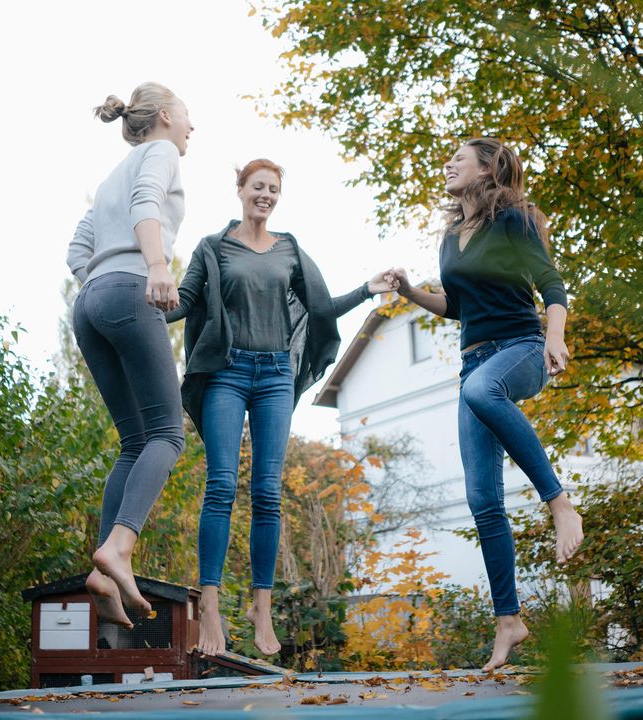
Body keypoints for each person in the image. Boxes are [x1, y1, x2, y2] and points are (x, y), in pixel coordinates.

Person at [166, 159, 397, 656]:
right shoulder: (213, 248)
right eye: (258, 187)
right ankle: (209, 604)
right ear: (241, 190)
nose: (266, 195)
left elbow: (319, 309)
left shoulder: (289, 248)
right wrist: (147, 296)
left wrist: (366, 289)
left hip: (274, 376)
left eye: (273, 189)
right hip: (227, 372)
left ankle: (261, 607)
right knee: (222, 484)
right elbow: (184, 302)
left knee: (267, 491)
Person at [390, 137, 584, 672]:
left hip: (520, 349)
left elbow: (550, 282)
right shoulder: (451, 237)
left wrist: (555, 336)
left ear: (488, 168)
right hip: (474, 362)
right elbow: (455, 306)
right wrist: (409, 290)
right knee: (481, 499)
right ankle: (508, 621)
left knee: (482, 393)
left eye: (460, 157)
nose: (448, 162)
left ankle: (559, 504)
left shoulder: (514, 219)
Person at [66, 82, 193, 628]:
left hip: (89, 302)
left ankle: (102, 566)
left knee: (135, 441)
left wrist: (101, 284)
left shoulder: (106, 179)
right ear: (165, 116)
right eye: (189, 116)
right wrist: (156, 266)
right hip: (129, 288)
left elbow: (77, 251)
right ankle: (119, 548)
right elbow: (147, 205)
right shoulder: (160, 152)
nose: (192, 128)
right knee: (169, 435)